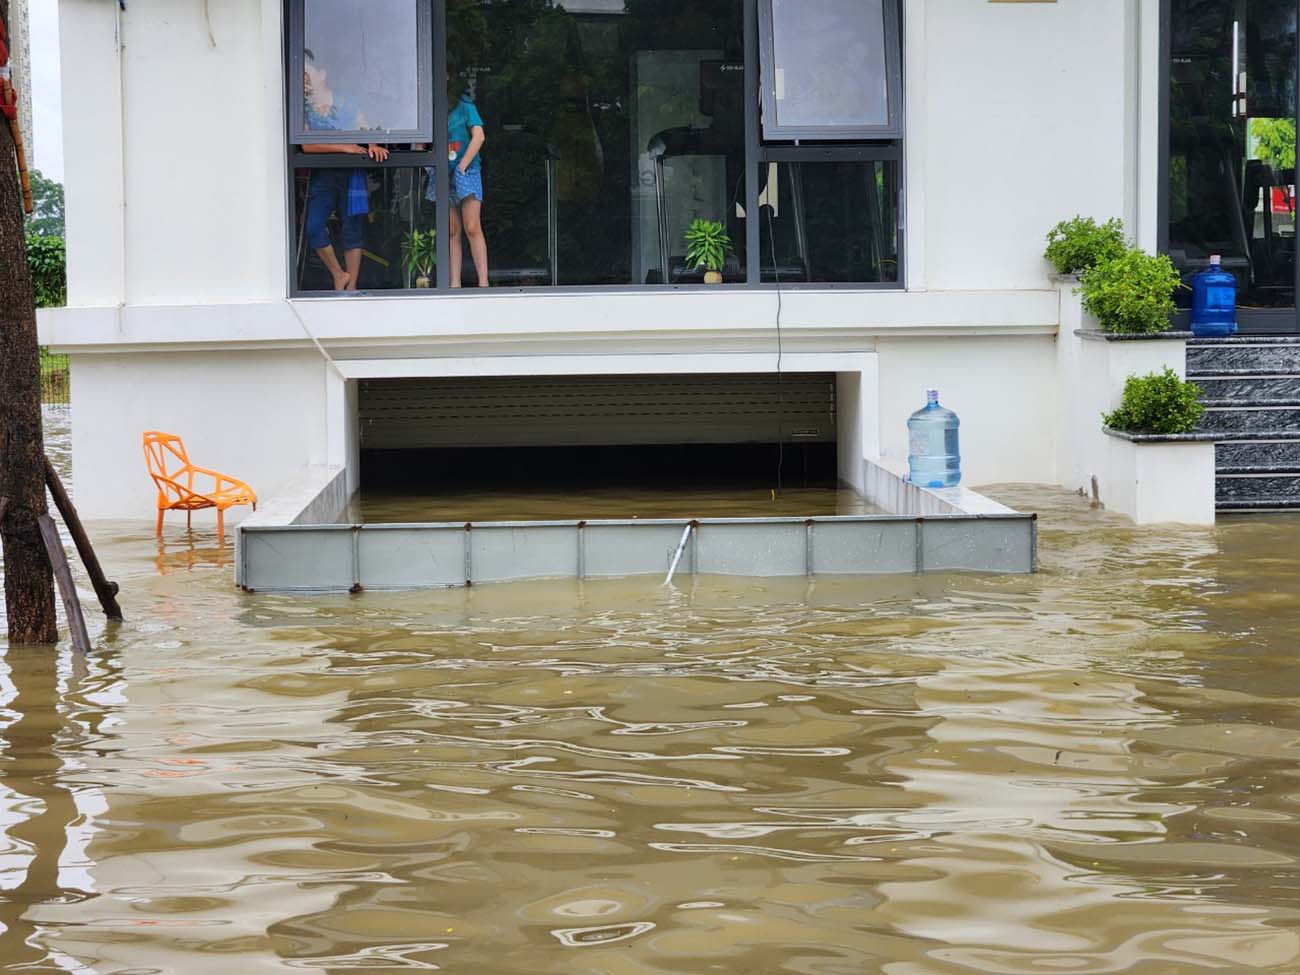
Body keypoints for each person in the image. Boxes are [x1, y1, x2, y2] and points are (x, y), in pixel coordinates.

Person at [301, 49, 388, 291]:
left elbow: (364, 127)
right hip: (324, 174)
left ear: (323, 74)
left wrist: (371, 144)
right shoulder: (304, 106)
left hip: (351, 174)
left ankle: (351, 290)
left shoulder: (345, 101)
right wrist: (344, 147)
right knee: (313, 226)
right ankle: (339, 275)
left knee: (352, 230)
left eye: (307, 72)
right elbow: (307, 145)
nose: (304, 78)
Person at [445, 78, 488, 287]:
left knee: (472, 226)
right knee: (452, 230)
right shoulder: (434, 109)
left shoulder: (465, 106)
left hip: (467, 169)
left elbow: (479, 136)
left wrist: (462, 166)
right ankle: (454, 284)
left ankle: (483, 284)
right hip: (444, 172)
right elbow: (422, 140)